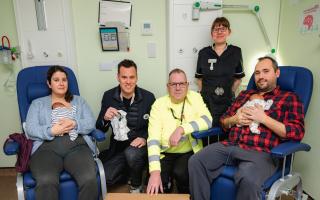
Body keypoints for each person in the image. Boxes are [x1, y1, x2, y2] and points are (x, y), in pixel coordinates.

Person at [189, 56, 305, 200]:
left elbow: (297, 132)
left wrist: (263, 118)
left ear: (277, 73)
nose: (261, 76)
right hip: (230, 146)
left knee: (248, 178)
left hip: (261, 153)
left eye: (266, 71)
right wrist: (234, 119)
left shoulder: (289, 98)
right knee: (196, 160)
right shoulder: (244, 95)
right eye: (257, 73)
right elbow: (223, 121)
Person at [26, 66, 98, 200]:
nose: (61, 83)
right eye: (56, 80)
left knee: (88, 179)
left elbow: (90, 123)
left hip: (77, 147)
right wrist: (51, 130)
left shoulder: (79, 101)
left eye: (64, 80)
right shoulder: (38, 104)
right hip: (46, 148)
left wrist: (75, 123)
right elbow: (31, 128)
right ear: (49, 83)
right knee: (46, 181)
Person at [147, 68, 212, 195]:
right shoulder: (158, 104)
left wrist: (182, 129)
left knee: (182, 173)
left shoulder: (195, 98)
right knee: (157, 185)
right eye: (173, 84)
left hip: (187, 151)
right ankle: (167, 182)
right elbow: (153, 139)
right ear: (168, 87)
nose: (178, 88)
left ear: (187, 85)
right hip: (165, 152)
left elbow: (207, 120)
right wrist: (154, 172)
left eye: (182, 84)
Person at [96, 59, 155, 192]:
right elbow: (100, 128)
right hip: (118, 148)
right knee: (108, 178)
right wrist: (105, 118)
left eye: (131, 77)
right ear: (118, 77)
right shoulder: (108, 96)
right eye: (124, 77)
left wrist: (144, 138)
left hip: (139, 146)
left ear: (137, 78)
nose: (128, 81)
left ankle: (136, 185)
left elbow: (155, 127)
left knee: (132, 154)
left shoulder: (149, 97)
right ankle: (134, 170)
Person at [195, 17, 245, 145]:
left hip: (227, 101)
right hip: (207, 102)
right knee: (207, 133)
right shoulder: (203, 53)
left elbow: (238, 78)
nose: (219, 32)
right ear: (212, 34)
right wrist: (204, 94)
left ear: (229, 32)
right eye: (216, 29)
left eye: (223, 28)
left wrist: (229, 92)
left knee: (226, 133)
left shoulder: (236, 51)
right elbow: (199, 78)